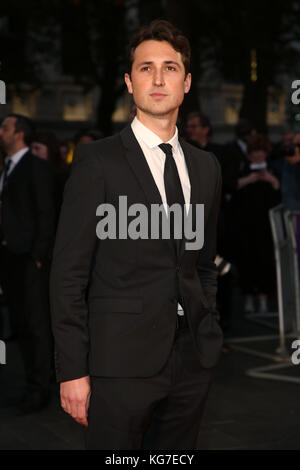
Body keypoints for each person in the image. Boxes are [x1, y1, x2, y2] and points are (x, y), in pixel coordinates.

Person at [50, 19, 223, 450]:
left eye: (170, 67)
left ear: (186, 82)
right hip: (118, 363)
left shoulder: (207, 167)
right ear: (130, 82)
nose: (159, 77)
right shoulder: (97, 161)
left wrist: (207, 322)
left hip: (191, 361)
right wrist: (73, 369)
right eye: (146, 68)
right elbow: (68, 274)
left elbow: (203, 262)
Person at [0, 114, 56, 413]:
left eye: (5, 127)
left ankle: (39, 389)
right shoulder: (7, 169)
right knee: (20, 324)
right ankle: (31, 384)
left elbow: (47, 215)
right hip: (9, 259)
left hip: (29, 261)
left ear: (18, 133)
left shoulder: (35, 167)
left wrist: (37, 257)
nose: (1, 132)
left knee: (36, 325)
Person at [233, 134, 281, 313]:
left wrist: (271, 180)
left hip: (266, 225)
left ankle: (263, 298)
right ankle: (248, 297)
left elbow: (279, 196)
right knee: (246, 260)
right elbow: (233, 189)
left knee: (265, 260)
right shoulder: (243, 169)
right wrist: (249, 180)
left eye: (261, 152)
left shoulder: (273, 170)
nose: (258, 156)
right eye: (255, 152)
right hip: (245, 225)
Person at [31, 131, 70, 217]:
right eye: (31, 149)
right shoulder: (31, 172)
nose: (33, 153)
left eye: (37, 148)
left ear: (50, 149)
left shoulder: (62, 176)